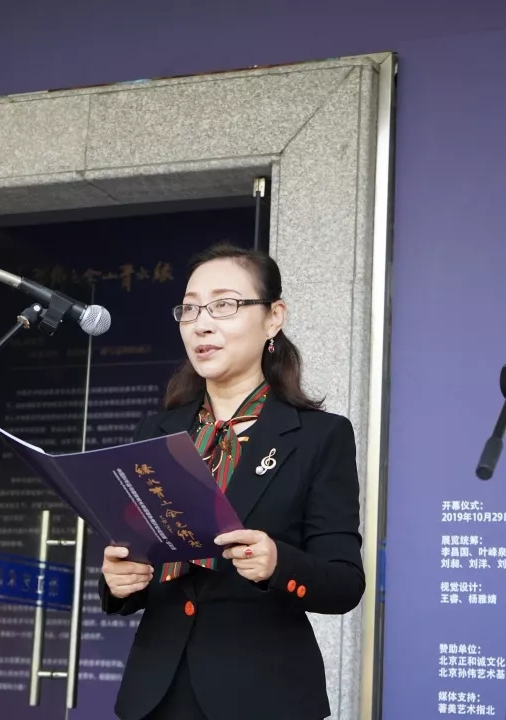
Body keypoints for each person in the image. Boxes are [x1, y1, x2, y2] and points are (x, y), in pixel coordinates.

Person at [99, 242, 365, 720]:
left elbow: (345, 583)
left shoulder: (320, 436)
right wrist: (119, 583)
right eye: (190, 308)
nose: (202, 324)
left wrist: (277, 563)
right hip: (157, 695)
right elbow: (136, 554)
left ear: (273, 317)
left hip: (263, 696)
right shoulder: (156, 431)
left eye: (224, 305)